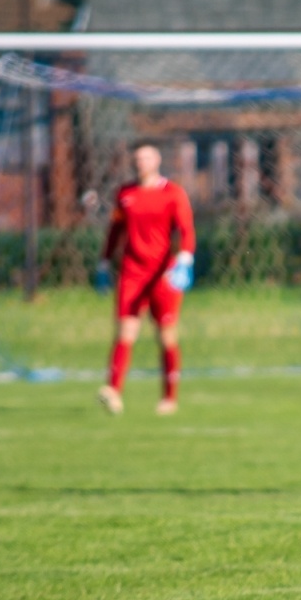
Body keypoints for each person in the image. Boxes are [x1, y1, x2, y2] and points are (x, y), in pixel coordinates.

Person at [95, 141, 196, 416]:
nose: (141, 163)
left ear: (157, 160)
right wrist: (104, 262)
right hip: (132, 272)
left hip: (164, 274)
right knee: (125, 330)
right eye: (137, 158)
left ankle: (169, 397)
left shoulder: (173, 193)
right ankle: (113, 392)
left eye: (147, 157)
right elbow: (115, 231)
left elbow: (186, 229)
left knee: (166, 335)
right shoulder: (125, 194)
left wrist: (185, 259)